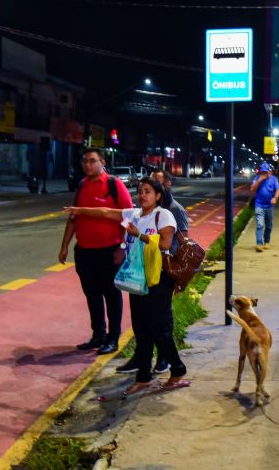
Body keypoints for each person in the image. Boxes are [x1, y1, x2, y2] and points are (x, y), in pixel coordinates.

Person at [64, 177, 189, 396]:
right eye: (140, 191)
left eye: (148, 191)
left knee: (159, 329)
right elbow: (105, 212)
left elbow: (165, 245)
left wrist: (138, 235)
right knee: (140, 329)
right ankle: (143, 376)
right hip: (137, 279)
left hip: (158, 279)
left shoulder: (163, 214)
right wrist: (79, 209)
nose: (142, 195)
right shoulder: (134, 214)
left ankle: (177, 370)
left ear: (158, 196)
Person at [58, 147, 134, 355]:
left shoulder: (113, 184)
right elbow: (74, 217)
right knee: (92, 295)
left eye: (92, 161)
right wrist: (64, 245)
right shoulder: (82, 185)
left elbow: (128, 217)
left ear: (102, 162)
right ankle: (98, 334)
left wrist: (122, 246)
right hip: (85, 252)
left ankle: (113, 338)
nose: (88, 165)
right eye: (85, 161)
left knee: (111, 294)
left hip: (109, 251)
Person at [142, 168, 189, 376]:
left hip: (165, 268)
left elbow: (181, 240)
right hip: (150, 269)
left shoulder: (171, 210)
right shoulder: (147, 211)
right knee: (150, 321)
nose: (144, 193)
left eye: (153, 185)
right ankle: (149, 362)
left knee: (162, 321)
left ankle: (169, 363)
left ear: (164, 187)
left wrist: (173, 264)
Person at [250, 162, 279, 252]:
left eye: (265, 172)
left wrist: (275, 198)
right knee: (260, 225)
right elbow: (252, 189)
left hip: (269, 206)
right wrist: (259, 180)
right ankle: (259, 244)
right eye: (262, 172)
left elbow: (277, 190)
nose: (264, 174)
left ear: (269, 171)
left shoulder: (273, 179)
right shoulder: (257, 178)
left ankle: (266, 241)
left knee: (269, 225)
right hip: (259, 205)